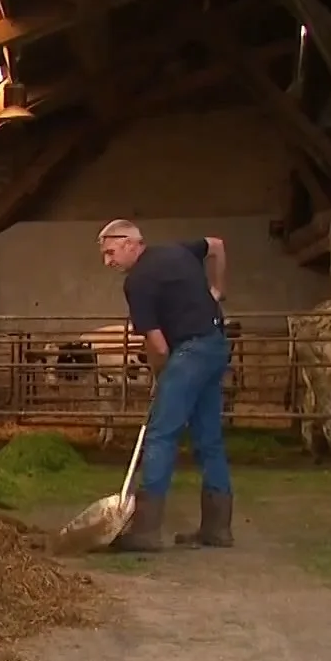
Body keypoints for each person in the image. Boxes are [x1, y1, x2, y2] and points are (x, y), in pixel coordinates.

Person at [96, 219, 233, 550]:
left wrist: (162, 374)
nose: (108, 262)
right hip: (216, 344)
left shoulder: (138, 282)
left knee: (160, 434)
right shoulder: (178, 250)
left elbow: (157, 345)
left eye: (110, 252)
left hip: (189, 352)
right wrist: (217, 290)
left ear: (131, 243)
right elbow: (216, 244)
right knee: (208, 438)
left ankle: (144, 531)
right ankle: (218, 528)